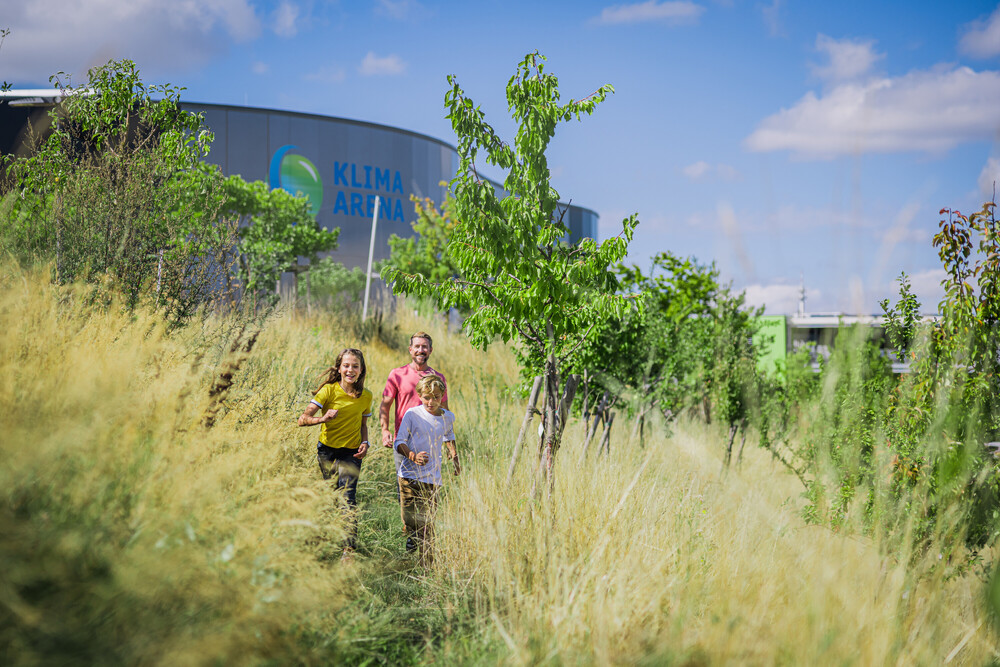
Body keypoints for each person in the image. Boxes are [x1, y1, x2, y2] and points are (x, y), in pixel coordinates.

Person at [298, 348, 373, 558]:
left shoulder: (366, 396)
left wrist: (365, 442)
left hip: (352, 452)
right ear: (339, 368)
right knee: (331, 495)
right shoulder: (328, 391)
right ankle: (326, 539)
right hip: (327, 450)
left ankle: (348, 551)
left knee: (348, 496)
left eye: (355, 366)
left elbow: (363, 424)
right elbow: (302, 419)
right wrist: (322, 419)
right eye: (346, 365)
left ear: (361, 370)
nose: (350, 370)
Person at [379, 332, 448, 551]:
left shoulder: (438, 378)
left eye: (425, 346)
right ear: (410, 350)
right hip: (404, 443)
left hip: (429, 445)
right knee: (405, 489)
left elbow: (444, 412)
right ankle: (411, 530)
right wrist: (385, 430)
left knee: (427, 491)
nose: (421, 350)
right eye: (417, 346)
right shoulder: (397, 374)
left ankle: (419, 535)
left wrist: (448, 443)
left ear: (431, 350)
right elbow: (385, 405)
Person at [393, 375, 460, 566]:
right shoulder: (412, 414)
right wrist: (413, 456)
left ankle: (427, 564)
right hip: (408, 477)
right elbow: (399, 441)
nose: (431, 402)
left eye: (436, 397)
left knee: (427, 523)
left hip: (432, 479)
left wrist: (454, 453)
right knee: (409, 519)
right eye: (427, 397)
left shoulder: (448, 417)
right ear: (420, 396)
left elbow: (448, 434)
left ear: (442, 396)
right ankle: (412, 534)